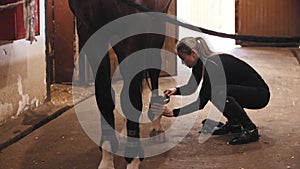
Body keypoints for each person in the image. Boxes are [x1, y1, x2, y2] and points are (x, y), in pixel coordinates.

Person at [151, 37, 270, 145]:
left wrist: (174, 112)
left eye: (183, 58)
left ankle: (250, 129)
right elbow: (191, 87)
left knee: (217, 93)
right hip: (247, 91)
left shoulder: (212, 66)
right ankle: (234, 123)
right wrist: (175, 90)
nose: (183, 63)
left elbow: (201, 102)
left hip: (259, 95)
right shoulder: (201, 62)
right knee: (217, 92)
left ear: (193, 53)